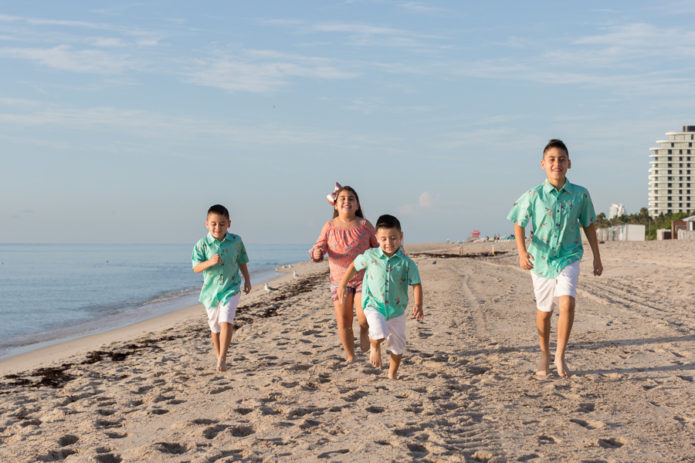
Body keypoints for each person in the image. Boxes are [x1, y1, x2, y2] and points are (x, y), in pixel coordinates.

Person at [507, 139, 603, 378]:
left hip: (569, 255)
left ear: (569, 163)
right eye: (552, 159)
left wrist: (597, 257)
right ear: (543, 164)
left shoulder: (580, 194)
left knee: (567, 302)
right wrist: (521, 252)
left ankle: (560, 355)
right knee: (544, 311)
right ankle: (543, 354)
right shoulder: (533, 195)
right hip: (540, 260)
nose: (556, 163)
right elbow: (519, 224)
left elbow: (588, 225)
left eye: (561, 159)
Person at [338, 214, 423, 379]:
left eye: (393, 238)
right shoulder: (370, 256)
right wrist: (342, 284)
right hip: (373, 305)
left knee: (398, 346)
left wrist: (418, 304)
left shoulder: (407, 263)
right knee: (378, 332)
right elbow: (354, 266)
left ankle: (392, 373)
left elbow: (416, 284)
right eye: (383, 239)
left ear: (401, 237)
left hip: (397, 311)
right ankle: (374, 347)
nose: (388, 243)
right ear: (376, 238)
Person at [310, 184, 378, 362]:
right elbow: (319, 246)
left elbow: (379, 246)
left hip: (364, 278)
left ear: (357, 205)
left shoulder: (364, 224)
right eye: (343, 198)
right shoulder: (329, 226)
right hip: (339, 282)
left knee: (364, 316)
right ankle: (350, 356)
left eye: (351, 199)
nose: (347, 201)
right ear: (335, 204)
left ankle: (364, 329)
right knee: (344, 321)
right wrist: (317, 253)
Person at [192, 204, 251, 372]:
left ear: (229, 224)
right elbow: (196, 268)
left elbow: (241, 260)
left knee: (226, 320)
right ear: (207, 224)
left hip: (231, 287)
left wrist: (247, 279)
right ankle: (219, 356)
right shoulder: (202, 245)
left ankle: (222, 359)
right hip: (210, 292)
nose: (218, 227)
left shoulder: (236, 241)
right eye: (214, 224)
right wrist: (210, 262)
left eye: (222, 224)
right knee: (215, 327)